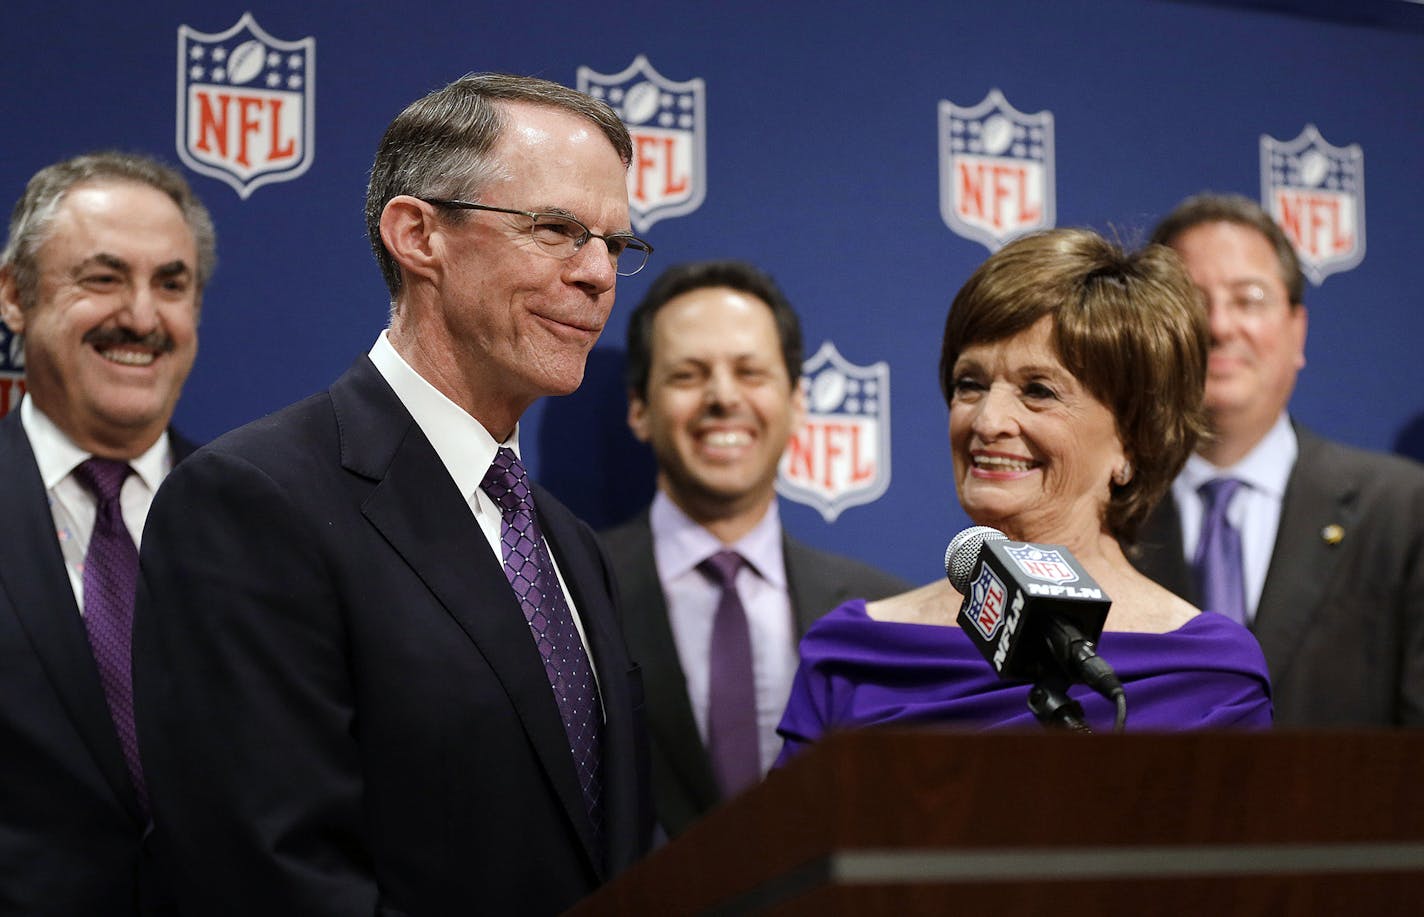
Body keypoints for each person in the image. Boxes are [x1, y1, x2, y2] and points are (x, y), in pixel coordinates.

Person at [132, 74, 654, 916]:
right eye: (557, 229)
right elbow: (272, 878)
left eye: (615, 245)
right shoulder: (253, 503)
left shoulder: (569, 543)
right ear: (418, 234)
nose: (599, 274)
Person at [776, 229, 1272, 759]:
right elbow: (785, 842)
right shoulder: (855, 653)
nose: (988, 421)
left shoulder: (1207, 676)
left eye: (1038, 391)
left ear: (1133, 440)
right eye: (971, 384)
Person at [600, 260, 908, 837]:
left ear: (798, 401)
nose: (723, 397)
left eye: (751, 373)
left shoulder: (882, 610)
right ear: (640, 409)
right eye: (688, 375)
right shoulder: (568, 593)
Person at [0, 151, 214, 915]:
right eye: (102, 277)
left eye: (172, 284)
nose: (142, 317)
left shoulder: (260, 521)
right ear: (13, 295)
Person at [1132, 192, 1424, 726]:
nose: (1219, 326)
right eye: (1191, 301)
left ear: (1298, 331)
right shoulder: (1104, 514)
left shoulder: (1404, 511)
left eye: (1249, 299)